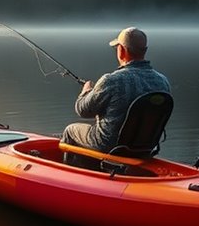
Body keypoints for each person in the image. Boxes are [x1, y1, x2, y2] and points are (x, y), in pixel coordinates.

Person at [61, 26, 171, 154]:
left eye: (117, 47)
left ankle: (77, 172)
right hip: (145, 147)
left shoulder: (111, 80)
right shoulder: (163, 81)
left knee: (70, 130)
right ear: (144, 50)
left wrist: (86, 91)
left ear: (121, 50)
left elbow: (83, 111)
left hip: (109, 145)